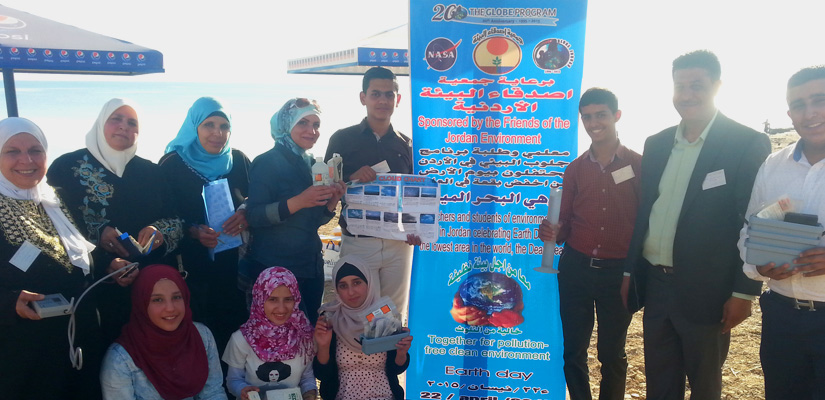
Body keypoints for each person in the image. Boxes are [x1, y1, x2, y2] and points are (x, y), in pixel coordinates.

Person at [621, 50, 771, 399]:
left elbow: (752, 221)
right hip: (657, 285)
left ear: (717, 86)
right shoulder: (657, 144)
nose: (686, 94)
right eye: (679, 86)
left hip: (709, 291)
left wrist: (744, 291)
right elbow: (646, 212)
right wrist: (630, 272)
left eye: (697, 85)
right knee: (660, 383)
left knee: (705, 386)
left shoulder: (744, 143)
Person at [47, 98, 184, 343]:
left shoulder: (152, 173)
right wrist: (98, 240)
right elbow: (52, 224)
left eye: (132, 122)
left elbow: (175, 219)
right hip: (93, 285)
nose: (124, 127)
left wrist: (160, 230)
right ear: (101, 123)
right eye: (116, 119)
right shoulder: (66, 168)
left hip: (149, 289)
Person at [537, 88, 640, 400]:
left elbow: (647, 222)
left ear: (616, 116)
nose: (594, 123)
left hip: (618, 273)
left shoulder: (640, 165)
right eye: (587, 117)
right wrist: (553, 231)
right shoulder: (575, 169)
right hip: (576, 270)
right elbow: (565, 224)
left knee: (612, 354)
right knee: (573, 352)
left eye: (601, 115)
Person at [739, 66, 825, 400]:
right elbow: (750, 229)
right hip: (781, 316)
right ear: (789, 113)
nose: (810, 112)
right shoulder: (774, 166)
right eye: (799, 104)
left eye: (819, 100)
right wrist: (758, 266)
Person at [0, 117, 97, 399]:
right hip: (20, 354)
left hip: (76, 342)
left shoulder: (58, 199)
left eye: (35, 150)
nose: (26, 159)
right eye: (12, 151)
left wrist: (109, 265)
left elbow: (77, 254)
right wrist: (8, 302)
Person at [324, 66, 420, 318]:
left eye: (389, 95)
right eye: (376, 94)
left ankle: (387, 358)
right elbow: (325, 187)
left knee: (392, 314)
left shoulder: (408, 145)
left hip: (398, 244)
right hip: (358, 242)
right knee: (355, 311)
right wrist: (352, 177)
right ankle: (351, 359)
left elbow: (415, 198)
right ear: (362, 98)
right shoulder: (342, 139)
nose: (383, 100)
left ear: (398, 100)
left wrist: (417, 228)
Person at [159, 97, 250, 356]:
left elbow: (256, 200)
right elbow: (162, 214)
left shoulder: (239, 161)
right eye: (209, 124)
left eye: (224, 126)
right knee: (194, 338)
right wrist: (193, 231)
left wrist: (245, 214)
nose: (217, 133)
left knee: (231, 338)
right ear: (194, 126)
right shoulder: (172, 164)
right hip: (190, 269)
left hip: (234, 270)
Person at [242, 98, 345, 325]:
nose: (312, 131)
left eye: (316, 124)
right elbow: (254, 216)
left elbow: (311, 222)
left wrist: (332, 203)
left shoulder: (310, 164)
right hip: (275, 269)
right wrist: (297, 201)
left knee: (306, 337)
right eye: (303, 123)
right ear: (286, 125)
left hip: (310, 267)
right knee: (276, 338)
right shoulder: (266, 162)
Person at [100, 264, 227, 400]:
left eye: (177, 297)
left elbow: (213, 393)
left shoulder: (201, 336)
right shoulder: (121, 359)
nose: (170, 308)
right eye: (157, 300)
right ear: (141, 303)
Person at [313, 255, 412, 400]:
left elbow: (396, 369)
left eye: (357, 282)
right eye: (343, 285)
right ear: (336, 289)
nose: (351, 292)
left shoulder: (384, 316)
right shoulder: (330, 319)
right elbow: (323, 375)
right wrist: (323, 346)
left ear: (369, 283)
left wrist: (401, 352)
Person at [223, 267, 317, 400]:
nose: (281, 308)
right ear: (260, 299)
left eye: (288, 299)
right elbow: (233, 380)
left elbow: (307, 378)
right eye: (272, 299)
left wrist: (310, 394)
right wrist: (242, 390)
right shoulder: (242, 339)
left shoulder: (303, 335)